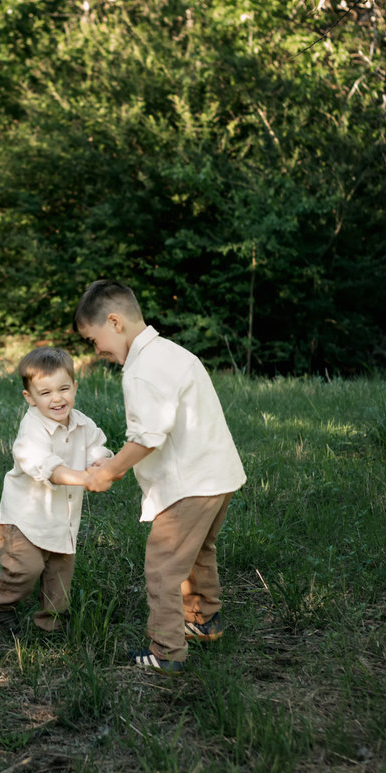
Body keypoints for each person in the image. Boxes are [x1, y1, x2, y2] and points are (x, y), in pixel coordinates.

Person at [75, 280, 245, 674]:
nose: (95, 350)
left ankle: (167, 651)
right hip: (217, 475)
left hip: (188, 484)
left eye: (92, 338)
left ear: (114, 322)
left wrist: (112, 470)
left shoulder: (141, 372)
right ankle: (203, 620)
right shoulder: (173, 353)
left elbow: (149, 436)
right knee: (199, 550)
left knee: (163, 567)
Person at [0, 346, 113, 634]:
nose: (57, 398)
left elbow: (98, 447)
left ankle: (52, 624)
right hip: (24, 519)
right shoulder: (32, 428)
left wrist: (101, 464)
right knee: (25, 569)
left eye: (64, 389)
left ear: (75, 387)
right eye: (45, 393)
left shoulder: (83, 423)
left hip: (62, 519)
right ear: (30, 398)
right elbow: (50, 469)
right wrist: (86, 479)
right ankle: (2, 603)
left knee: (60, 576)